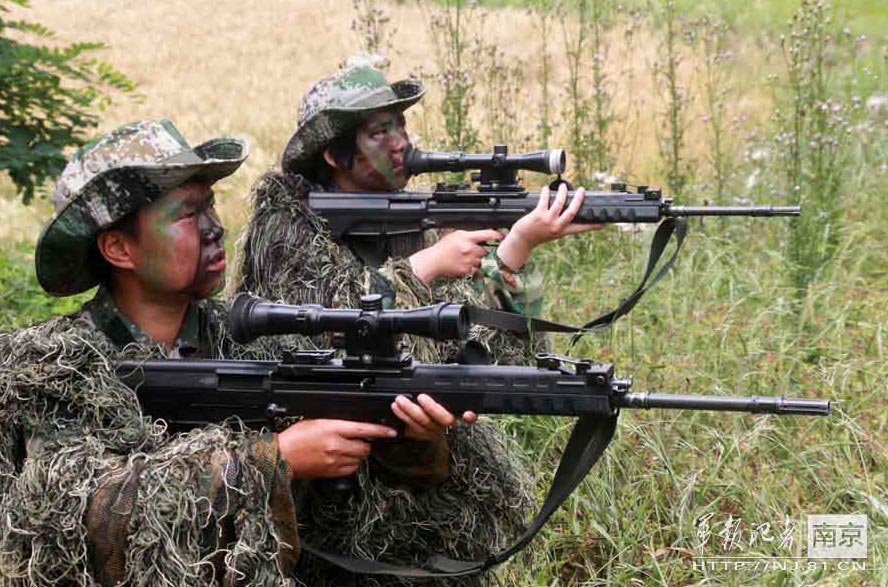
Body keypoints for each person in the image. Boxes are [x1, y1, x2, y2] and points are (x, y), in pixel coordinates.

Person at [0, 119, 479, 587]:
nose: (214, 229)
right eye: (187, 215)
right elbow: (81, 519)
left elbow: (364, 507)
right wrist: (275, 459)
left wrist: (408, 437)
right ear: (119, 248)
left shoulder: (251, 339)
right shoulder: (56, 368)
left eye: (211, 207)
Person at [234, 64, 596, 585]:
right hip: (330, 508)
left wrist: (516, 248)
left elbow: (482, 354)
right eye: (379, 132)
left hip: (426, 491)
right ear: (334, 155)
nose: (401, 142)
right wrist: (426, 267)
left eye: (401, 126)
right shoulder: (288, 228)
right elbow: (319, 326)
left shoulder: (414, 221)